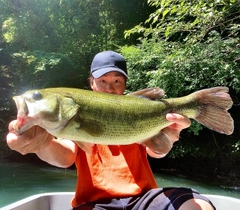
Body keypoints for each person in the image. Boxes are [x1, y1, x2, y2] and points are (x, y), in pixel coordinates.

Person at [6, 51, 215, 210]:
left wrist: (170, 134)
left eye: (117, 81)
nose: (109, 88)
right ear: (92, 84)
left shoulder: (135, 110)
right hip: (94, 203)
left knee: (198, 206)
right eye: (102, 81)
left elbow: (156, 151)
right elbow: (66, 156)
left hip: (143, 199)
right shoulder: (71, 123)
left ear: (125, 85)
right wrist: (41, 145)